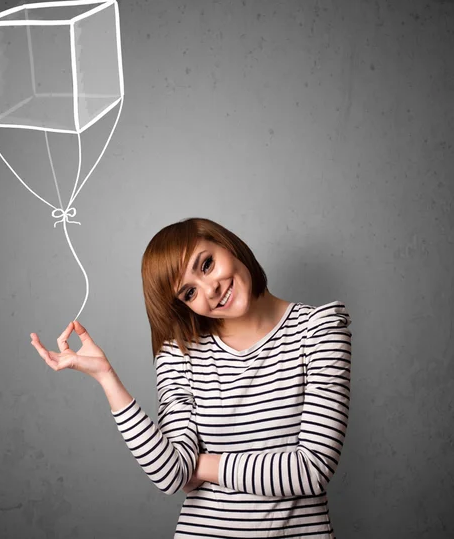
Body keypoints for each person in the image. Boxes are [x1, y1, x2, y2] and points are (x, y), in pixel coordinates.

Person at [31, 217, 352, 538]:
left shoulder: (319, 330)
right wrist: (106, 377)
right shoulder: (179, 354)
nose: (210, 289)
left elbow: (311, 470)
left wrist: (200, 465)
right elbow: (171, 476)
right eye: (189, 292)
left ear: (228, 245)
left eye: (207, 264)